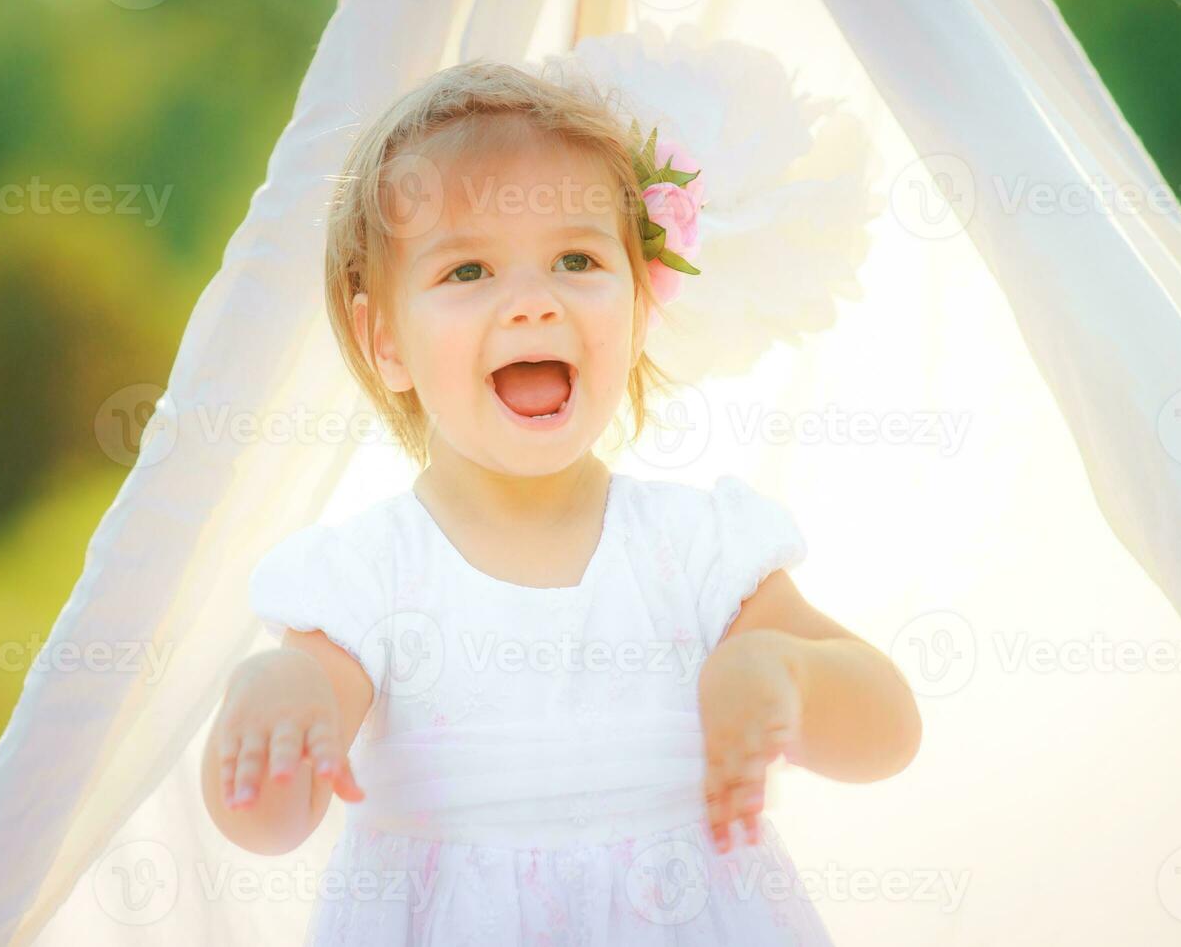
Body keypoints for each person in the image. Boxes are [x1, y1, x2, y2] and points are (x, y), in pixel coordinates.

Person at [199, 59, 921, 944]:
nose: (533, 303)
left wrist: (788, 676)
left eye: (576, 259)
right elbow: (267, 827)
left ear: (639, 304)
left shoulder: (696, 554)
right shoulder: (366, 579)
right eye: (467, 272)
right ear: (385, 341)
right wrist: (273, 701)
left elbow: (890, 731)